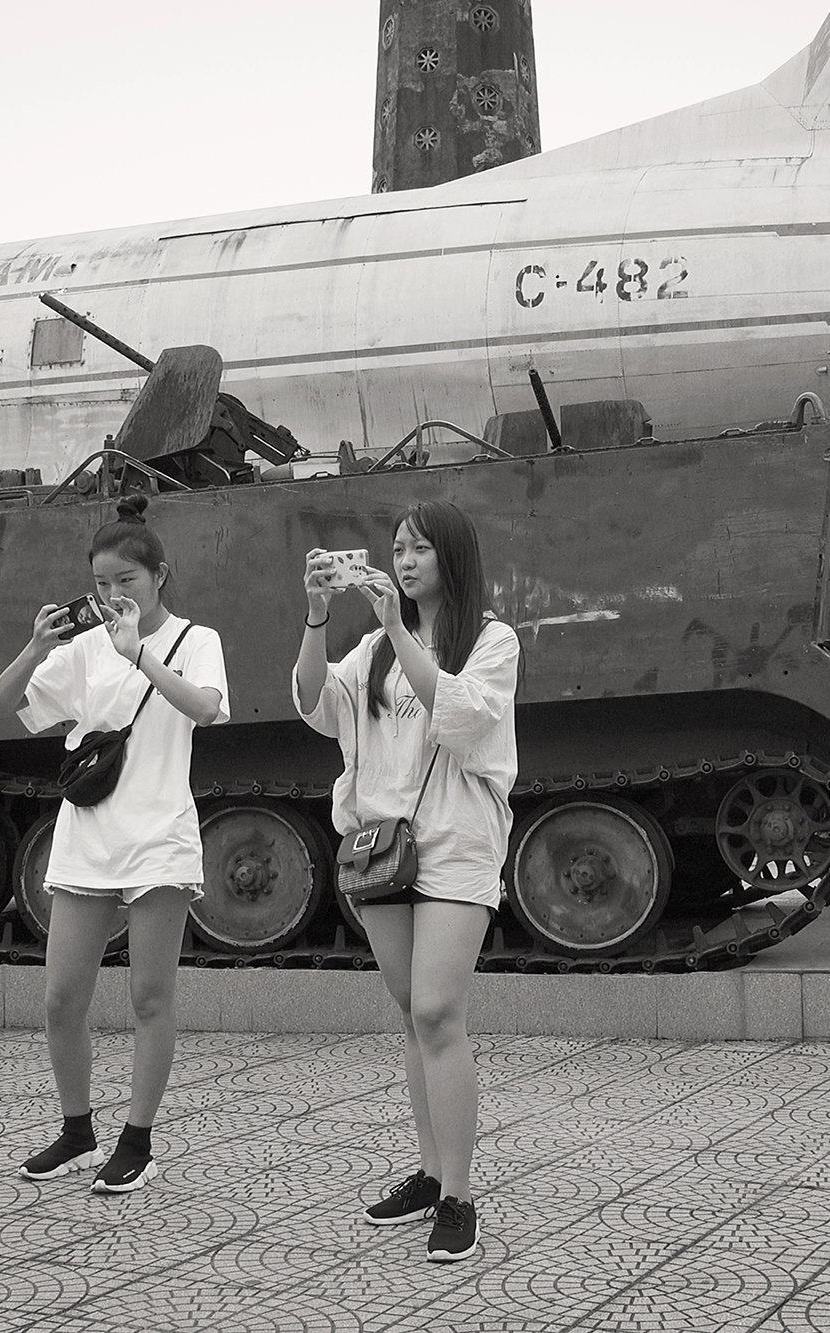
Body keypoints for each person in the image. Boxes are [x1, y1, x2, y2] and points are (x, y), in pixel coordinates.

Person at [294, 500, 520, 1263]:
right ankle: (427, 1173)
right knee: (411, 1013)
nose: (405, 558)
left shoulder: (491, 640)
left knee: (437, 1012)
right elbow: (313, 705)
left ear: (451, 555)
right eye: (397, 547)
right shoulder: (368, 652)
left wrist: (396, 628)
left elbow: (459, 719)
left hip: (455, 846)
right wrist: (318, 617)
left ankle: (458, 1194)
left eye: (421, 547)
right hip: (381, 847)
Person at [0, 497, 228, 1193]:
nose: (112, 594)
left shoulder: (194, 638)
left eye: (126, 579)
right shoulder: (86, 649)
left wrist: (140, 654)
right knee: (62, 997)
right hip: (88, 834)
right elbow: (4, 704)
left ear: (159, 574)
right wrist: (38, 644)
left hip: (158, 835)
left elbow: (207, 707)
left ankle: (139, 1139)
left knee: (150, 997)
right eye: (101, 582)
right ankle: (77, 1130)